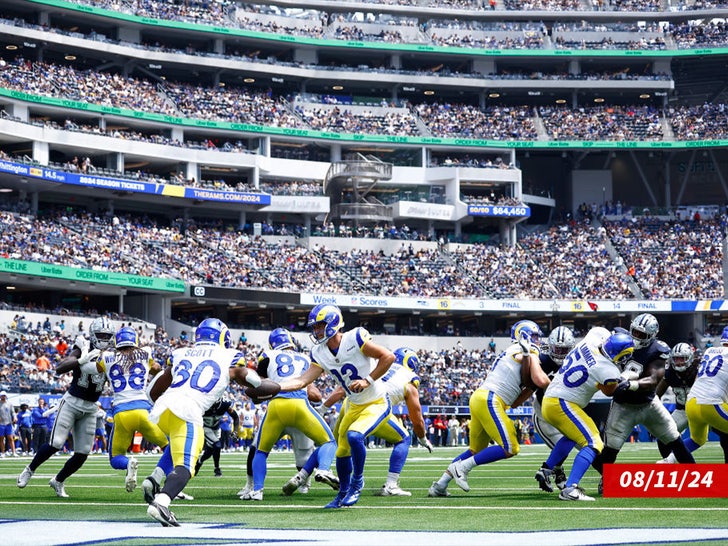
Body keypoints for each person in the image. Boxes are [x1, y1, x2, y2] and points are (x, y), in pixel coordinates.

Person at [278, 304, 402, 509]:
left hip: (376, 401)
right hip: (354, 404)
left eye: (320, 326)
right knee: (341, 451)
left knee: (355, 436)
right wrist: (277, 387)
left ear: (334, 323)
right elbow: (302, 381)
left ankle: (357, 483)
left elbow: (388, 356)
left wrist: (367, 380)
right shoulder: (318, 352)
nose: (316, 331)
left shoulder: (356, 338)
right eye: (315, 327)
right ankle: (342, 494)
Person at [144, 318, 265, 527]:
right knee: (186, 466)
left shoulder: (181, 352)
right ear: (222, 337)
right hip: (190, 409)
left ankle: (154, 478)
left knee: (177, 447)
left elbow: (152, 391)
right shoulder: (229, 355)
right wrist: (261, 385)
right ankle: (161, 503)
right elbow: (251, 379)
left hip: (163, 408)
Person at [429, 320, 550, 497]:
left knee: (474, 451)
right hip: (491, 399)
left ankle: (439, 486)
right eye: (535, 336)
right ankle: (462, 468)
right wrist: (552, 384)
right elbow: (541, 381)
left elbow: (517, 400)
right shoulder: (525, 349)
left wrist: (531, 385)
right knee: (511, 447)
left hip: (480, 397)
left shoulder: (515, 351)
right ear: (524, 336)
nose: (537, 340)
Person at [17, 316, 115, 497]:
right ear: (93, 334)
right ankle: (29, 469)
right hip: (71, 402)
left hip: (91, 407)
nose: (103, 339)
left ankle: (58, 480)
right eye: (100, 334)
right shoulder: (83, 347)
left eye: (107, 335)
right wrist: (81, 359)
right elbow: (60, 368)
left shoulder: (112, 355)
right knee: (56, 443)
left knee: (83, 453)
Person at [242, 327, 337, 501]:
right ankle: (323, 469)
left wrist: (257, 395)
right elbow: (315, 393)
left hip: (277, 406)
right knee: (329, 442)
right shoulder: (305, 358)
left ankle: (257, 491)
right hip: (300, 404)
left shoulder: (267, 355)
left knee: (261, 452)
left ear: (272, 343)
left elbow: (259, 384)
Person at [324, 346, 432, 497]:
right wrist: (422, 438)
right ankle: (391, 485)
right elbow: (417, 417)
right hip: (375, 408)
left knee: (335, 444)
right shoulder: (409, 378)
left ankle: (305, 474)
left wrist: (323, 407)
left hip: (351, 403)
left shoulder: (377, 365)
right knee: (404, 439)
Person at [541, 330, 635, 501]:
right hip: (561, 402)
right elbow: (609, 391)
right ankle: (570, 488)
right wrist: (625, 378)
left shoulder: (591, 339)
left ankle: (546, 469)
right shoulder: (608, 370)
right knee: (594, 442)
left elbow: (603, 333)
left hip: (550, 399)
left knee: (572, 437)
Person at [600, 314, 695, 472]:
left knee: (674, 438)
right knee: (611, 447)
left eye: (641, 334)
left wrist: (631, 384)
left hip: (649, 404)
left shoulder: (657, 349)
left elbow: (653, 380)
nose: (636, 337)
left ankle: (694, 475)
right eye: (635, 332)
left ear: (651, 336)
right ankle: (605, 479)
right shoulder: (620, 339)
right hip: (623, 406)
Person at [95, 326, 169, 492]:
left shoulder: (106, 356)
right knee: (168, 447)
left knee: (115, 459)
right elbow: (157, 369)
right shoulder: (146, 352)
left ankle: (129, 464)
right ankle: (171, 483)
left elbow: (98, 368)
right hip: (143, 410)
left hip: (121, 413)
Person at [660, 326, 728, 463]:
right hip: (711, 404)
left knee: (697, 440)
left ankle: (668, 461)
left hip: (691, 403)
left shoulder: (710, 351)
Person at [534, 325, 576, 493]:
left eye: (563, 349)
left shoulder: (575, 360)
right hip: (543, 413)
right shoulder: (541, 360)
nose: (559, 353)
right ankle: (553, 471)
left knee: (568, 442)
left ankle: (556, 472)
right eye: (556, 349)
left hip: (564, 409)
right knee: (561, 447)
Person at [655, 342, 697, 459]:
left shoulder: (698, 370)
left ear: (690, 358)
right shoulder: (670, 373)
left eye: (682, 359)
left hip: (701, 409)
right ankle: (670, 465)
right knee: (663, 438)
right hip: (682, 411)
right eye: (676, 359)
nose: (678, 362)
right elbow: (657, 394)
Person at [194, 394, 239, 477]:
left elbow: (236, 417)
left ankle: (199, 461)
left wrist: (235, 431)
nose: (212, 407)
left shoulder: (225, 404)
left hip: (216, 428)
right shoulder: (201, 404)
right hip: (205, 427)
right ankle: (217, 468)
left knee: (210, 450)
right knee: (217, 445)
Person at [0, 391, 17, 457]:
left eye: (4, 395)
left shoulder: (9, 404)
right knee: (1, 438)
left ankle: (14, 452)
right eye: (2, 395)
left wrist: (15, 417)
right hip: (1, 424)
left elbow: (13, 412)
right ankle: (3, 452)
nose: (3, 397)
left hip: (8, 423)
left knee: (10, 438)